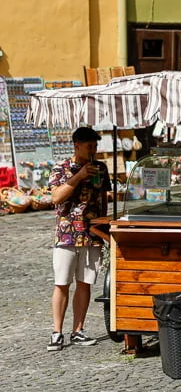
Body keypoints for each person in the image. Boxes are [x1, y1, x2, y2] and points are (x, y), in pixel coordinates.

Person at [46, 126, 111, 351]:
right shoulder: (61, 168)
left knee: (85, 283)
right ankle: (56, 332)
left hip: (92, 234)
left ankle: (78, 330)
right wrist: (79, 176)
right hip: (67, 234)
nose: (93, 150)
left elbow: (103, 197)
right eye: (89, 146)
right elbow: (56, 198)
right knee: (62, 282)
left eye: (95, 146)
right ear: (77, 146)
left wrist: (105, 224)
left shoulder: (101, 168)